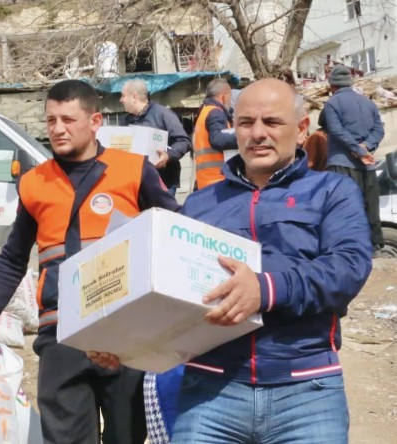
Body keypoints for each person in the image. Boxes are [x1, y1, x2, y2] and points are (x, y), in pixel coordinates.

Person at [90, 79, 373, 443]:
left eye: (271, 122)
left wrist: (264, 289)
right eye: (245, 123)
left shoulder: (331, 191)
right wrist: (126, 341)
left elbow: (347, 268)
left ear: (302, 130)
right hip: (209, 392)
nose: (257, 134)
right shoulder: (200, 205)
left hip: (306, 391)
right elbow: (168, 293)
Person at [0, 80, 180, 444]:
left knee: (126, 435)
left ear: (95, 120)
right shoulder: (34, 183)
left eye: (68, 119)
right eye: (51, 120)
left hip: (124, 332)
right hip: (61, 334)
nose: (57, 128)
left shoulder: (133, 170)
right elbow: (14, 256)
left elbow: (174, 233)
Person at [322, 64, 386, 256]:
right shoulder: (367, 102)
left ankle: (346, 249)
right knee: (370, 204)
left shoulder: (332, 103)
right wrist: (367, 146)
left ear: (332, 85)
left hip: (341, 163)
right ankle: (375, 247)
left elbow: (336, 130)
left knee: (343, 207)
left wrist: (357, 149)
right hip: (367, 165)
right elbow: (379, 129)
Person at [119, 79, 192, 196]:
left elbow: (184, 141)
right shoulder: (125, 121)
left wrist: (168, 156)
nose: (120, 100)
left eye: (123, 96)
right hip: (135, 184)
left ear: (134, 97)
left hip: (163, 184)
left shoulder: (163, 115)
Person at [193, 78, 237, 190]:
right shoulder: (215, 112)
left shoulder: (204, 111)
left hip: (206, 179)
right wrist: (243, 138)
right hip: (217, 179)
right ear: (224, 96)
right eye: (230, 97)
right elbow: (217, 139)